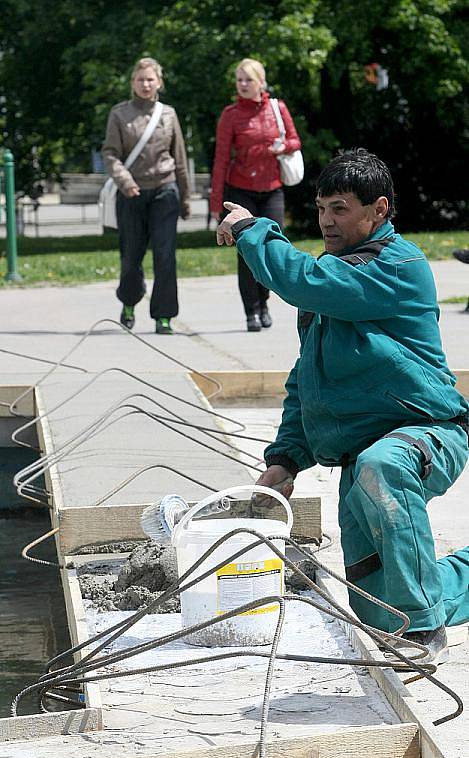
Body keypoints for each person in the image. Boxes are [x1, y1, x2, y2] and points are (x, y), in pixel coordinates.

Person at [217, 148, 469, 663]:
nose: (327, 221)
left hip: (428, 434)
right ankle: (433, 599)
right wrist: (284, 460)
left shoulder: (397, 266)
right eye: (321, 208)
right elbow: (306, 380)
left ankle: (423, 635)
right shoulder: (334, 277)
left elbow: (300, 281)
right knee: (382, 608)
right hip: (362, 456)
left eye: (340, 209)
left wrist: (253, 229)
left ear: (378, 210)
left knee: (383, 471)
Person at [210, 58, 301, 332]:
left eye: (248, 79)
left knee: (273, 246)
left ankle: (264, 301)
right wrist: (216, 204)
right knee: (245, 251)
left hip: (272, 188)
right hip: (240, 191)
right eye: (239, 80)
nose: (243, 84)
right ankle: (251, 311)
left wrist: (282, 146)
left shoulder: (277, 108)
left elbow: (295, 141)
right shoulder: (231, 114)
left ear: (261, 82)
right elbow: (221, 159)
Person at [102, 57, 191, 334]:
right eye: (140, 79)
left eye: (150, 79)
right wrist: (125, 182)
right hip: (131, 194)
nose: (145, 84)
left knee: (165, 256)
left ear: (159, 83)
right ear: (133, 83)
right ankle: (129, 301)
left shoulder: (168, 114)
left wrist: (186, 197)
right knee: (131, 257)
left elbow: (180, 159)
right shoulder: (119, 114)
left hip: (165, 191)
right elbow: (110, 154)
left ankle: (163, 316)